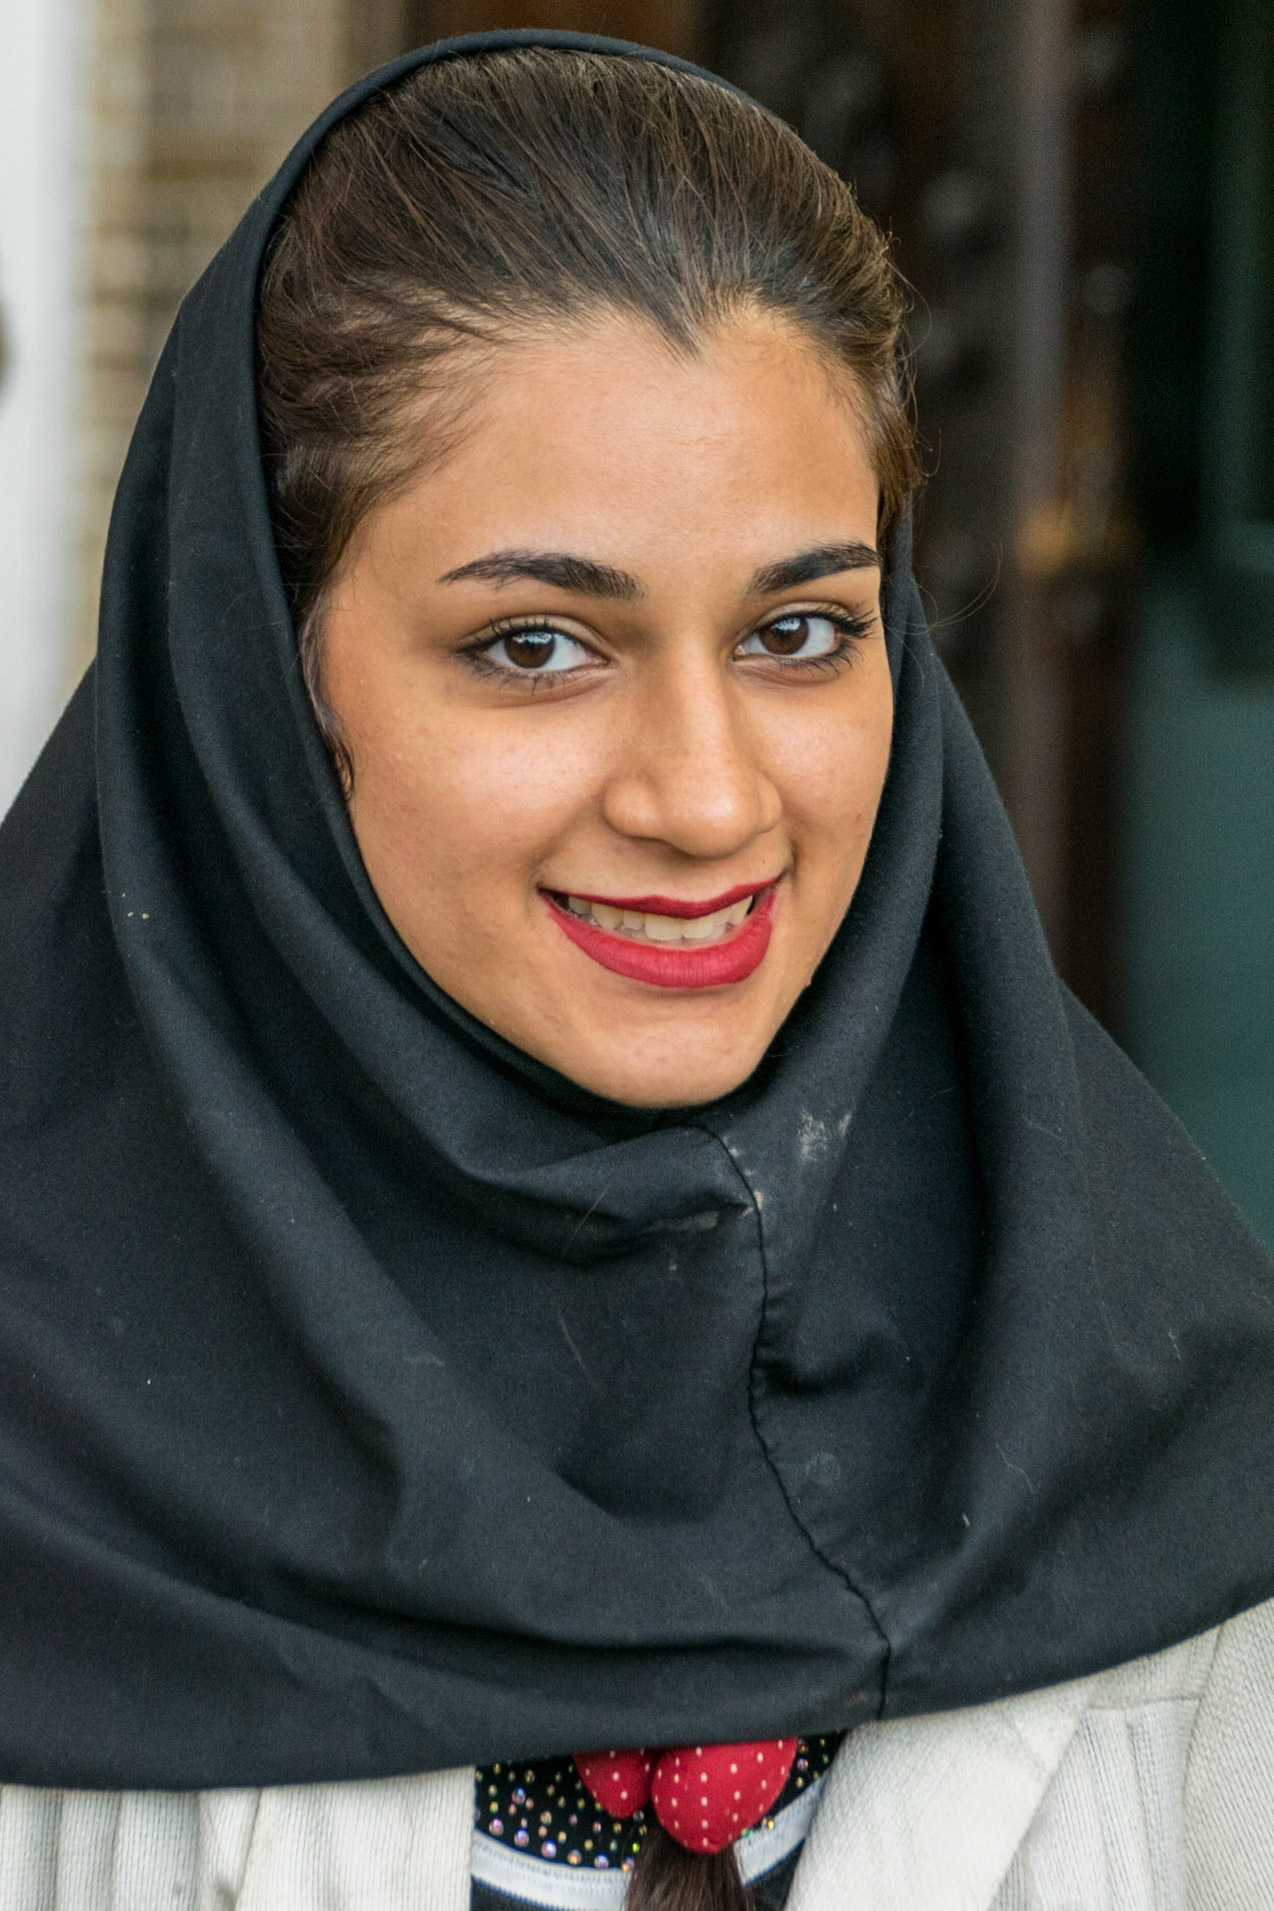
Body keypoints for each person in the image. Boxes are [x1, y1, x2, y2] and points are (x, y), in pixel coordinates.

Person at [0, 30, 1272, 1910]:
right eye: (534, 645)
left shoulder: (1157, 1444)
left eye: (800, 628)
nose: (703, 796)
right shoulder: (45, 1468)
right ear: (262, 680)